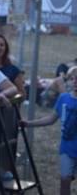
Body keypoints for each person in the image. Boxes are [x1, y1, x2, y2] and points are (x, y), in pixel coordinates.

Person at [21, 66, 77, 195]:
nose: (76, 82)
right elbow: (51, 119)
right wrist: (29, 123)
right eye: (74, 79)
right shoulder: (64, 98)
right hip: (67, 148)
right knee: (65, 181)